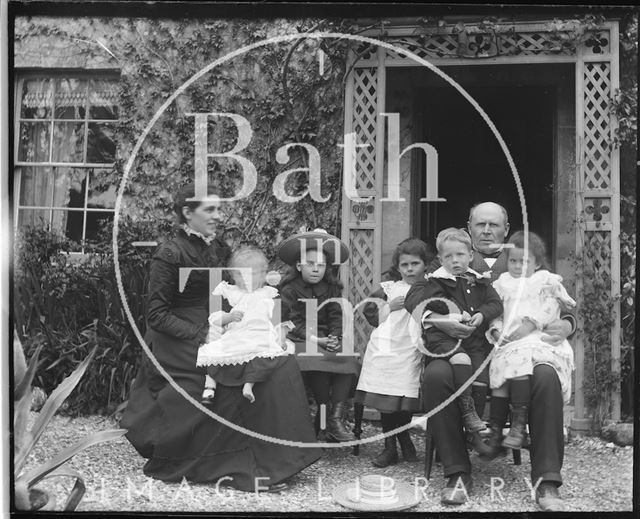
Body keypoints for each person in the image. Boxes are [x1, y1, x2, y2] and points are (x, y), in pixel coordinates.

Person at [120, 183, 321, 493]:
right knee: (233, 378)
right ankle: (243, 467)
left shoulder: (218, 248)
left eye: (219, 208)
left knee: (278, 363)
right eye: (209, 210)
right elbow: (156, 315)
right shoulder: (170, 253)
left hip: (219, 323)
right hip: (176, 339)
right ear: (187, 213)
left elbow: (236, 288)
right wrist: (201, 335)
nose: (218, 215)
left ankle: (277, 458)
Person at [405, 202, 575, 510]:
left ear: (505, 230)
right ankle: (457, 473)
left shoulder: (523, 259)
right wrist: (440, 320)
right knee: (436, 375)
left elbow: (557, 302)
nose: (486, 230)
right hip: (466, 349)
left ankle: (547, 481)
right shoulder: (447, 258)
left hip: (517, 349)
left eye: (493, 225)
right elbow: (416, 294)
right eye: (480, 224)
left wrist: (567, 324)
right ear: (469, 229)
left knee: (546, 376)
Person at [411, 228, 502, 454]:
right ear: (440, 260)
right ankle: (466, 410)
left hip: (474, 341)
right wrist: (457, 314)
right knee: (461, 359)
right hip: (444, 338)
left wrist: (481, 315)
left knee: (481, 377)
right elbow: (431, 302)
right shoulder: (437, 281)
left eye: (460, 255)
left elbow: (495, 304)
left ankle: (474, 429)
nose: (455, 260)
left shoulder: (479, 280)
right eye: (449, 257)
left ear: (471, 256)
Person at [483, 231, 575, 453]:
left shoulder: (542, 281)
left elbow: (551, 308)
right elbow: (496, 313)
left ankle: (518, 426)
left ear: (536, 263)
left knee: (521, 365)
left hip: (536, 337)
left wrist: (531, 324)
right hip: (508, 341)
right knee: (501, 378)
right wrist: (495, 330)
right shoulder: (502, 284)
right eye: (512, 261)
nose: (517, 266)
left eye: (523, 261)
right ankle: (496, 431)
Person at [277, 228, 360, 443]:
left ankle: (334, 418)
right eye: (310, 264)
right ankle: (327, 419)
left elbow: (335, 316)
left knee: (346, 357)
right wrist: (315, 339)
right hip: (298, 339)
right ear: (298, 266)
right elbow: (290, 322)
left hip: (324, 338)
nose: (316, 269)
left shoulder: (331, 288)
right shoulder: (289, 290)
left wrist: (334, 336)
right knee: (318, 360)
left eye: (321, 265)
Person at [355, 238, 431, 467]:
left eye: (415, 264)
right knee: (386, 396)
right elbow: (370, 313)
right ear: (397, 267)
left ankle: (404, 436)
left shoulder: (430, 287)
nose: (409, 269)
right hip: (386, 346)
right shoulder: (389, 287)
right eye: (404, 265)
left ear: (425, 265)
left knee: (402, 396)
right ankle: (390, 447)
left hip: (409, 347)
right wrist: (389, 307)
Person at [196, 246, 292, 405]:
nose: (250, 279)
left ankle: (249, 385)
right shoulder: (230, 294)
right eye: (243, 274)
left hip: (260, 334)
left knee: (266, 354)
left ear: (263, 275)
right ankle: (210, 385)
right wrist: (228, 317)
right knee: (216, 351)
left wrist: (281, 336)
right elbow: (215, 318)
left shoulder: (269, 294)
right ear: (234, 275)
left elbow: (279, 320)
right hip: (236, 334)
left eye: (256, 274)